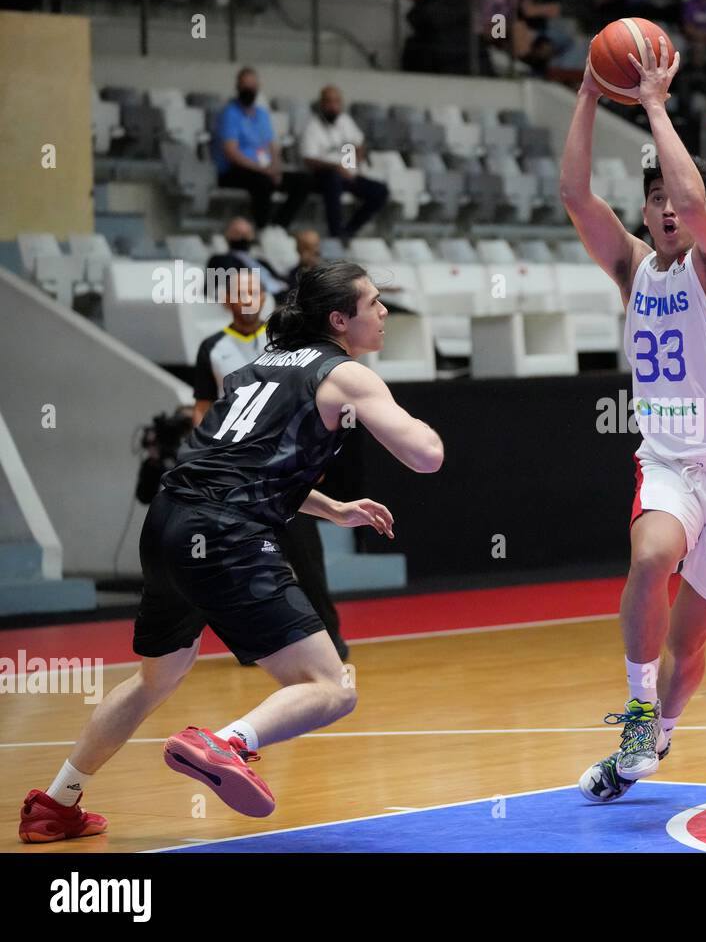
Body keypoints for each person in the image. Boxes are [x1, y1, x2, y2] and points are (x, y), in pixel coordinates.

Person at [19, 261, 445, 842]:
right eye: (373, 303)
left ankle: (56, 802)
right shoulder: (347, 375)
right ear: (340, 319)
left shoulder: (253, 370)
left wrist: (335, 509)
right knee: (333, 687)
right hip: (225, 536)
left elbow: (238, 467)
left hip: (169, 522)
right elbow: (427, 457)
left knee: (154, 680)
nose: (384, 312)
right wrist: (410, 418)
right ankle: (226, 743)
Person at [560, 40, 706, 803]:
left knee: (689, 651)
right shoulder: (631, 267)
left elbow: (695, 204)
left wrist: (654, 101)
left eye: (674, 198)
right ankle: (637, 708)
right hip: (669, 464)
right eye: (651, 198)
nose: (664, 209)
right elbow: (576, 198)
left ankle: (648, 743)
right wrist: (590, 94)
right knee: (652, 554)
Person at [191, 269, 350, 663]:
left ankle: (331, 639)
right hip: (236, 476)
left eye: (255, 291)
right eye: (241, 292)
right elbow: (203, 408)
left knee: (307, 562)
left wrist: (313, 456)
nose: (249, 298)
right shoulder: (212, 347)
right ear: (227, 301)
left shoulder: (287, 341)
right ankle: (255, 647)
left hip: (286, 469)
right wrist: (207, 454)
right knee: (241, 565)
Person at [214, 67, 311, 230]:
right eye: (245, 85)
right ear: (237, 87)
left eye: (252, 85)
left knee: (304, 181)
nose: (249, 89)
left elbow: (272, 145)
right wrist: (262, 170)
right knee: (262, 182)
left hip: (263, 169)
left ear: (258, 87)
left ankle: (279, 227)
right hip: (236, 170)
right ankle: (263, 228)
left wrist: (276, 168)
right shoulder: (230, 113)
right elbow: (231, 152)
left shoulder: (262, 114)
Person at [299, 86, 391, 240]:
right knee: (333, 180)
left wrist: (355, 162)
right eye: (329, 102)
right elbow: (309, 160)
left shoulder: (345, 121)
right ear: (322, 104)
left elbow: (359, 143)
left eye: (336, 102)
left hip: (347, 174)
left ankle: (349, 231)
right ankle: (335, 233)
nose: (333, 106)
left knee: (381, 191)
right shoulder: (312, 127)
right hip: (323, 176)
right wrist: (336, 167)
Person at [208, 216, 290, 304]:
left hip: (285, 297)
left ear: (252, 235)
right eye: (237, 233)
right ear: (227, 235)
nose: (241, 237)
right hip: (262, 301)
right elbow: (216, 289)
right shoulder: (221, 260)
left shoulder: (261, 261)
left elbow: (281, 279)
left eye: (246, 234)